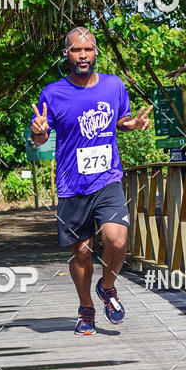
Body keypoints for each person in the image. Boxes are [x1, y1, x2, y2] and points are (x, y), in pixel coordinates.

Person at [30, 27, 152, 336]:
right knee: (81, 252)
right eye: (75, 50)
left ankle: (107, 287)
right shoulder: (53, 92)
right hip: (73, 185)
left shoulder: (113, 85)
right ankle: (86, 308)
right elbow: (41, 135)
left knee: (117, 239)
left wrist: (132, 123)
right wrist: (38, 131)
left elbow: (121, 120)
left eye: (87, 50)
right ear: (66, 54)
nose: (82, 55)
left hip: (107, 178)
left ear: (96, 52)